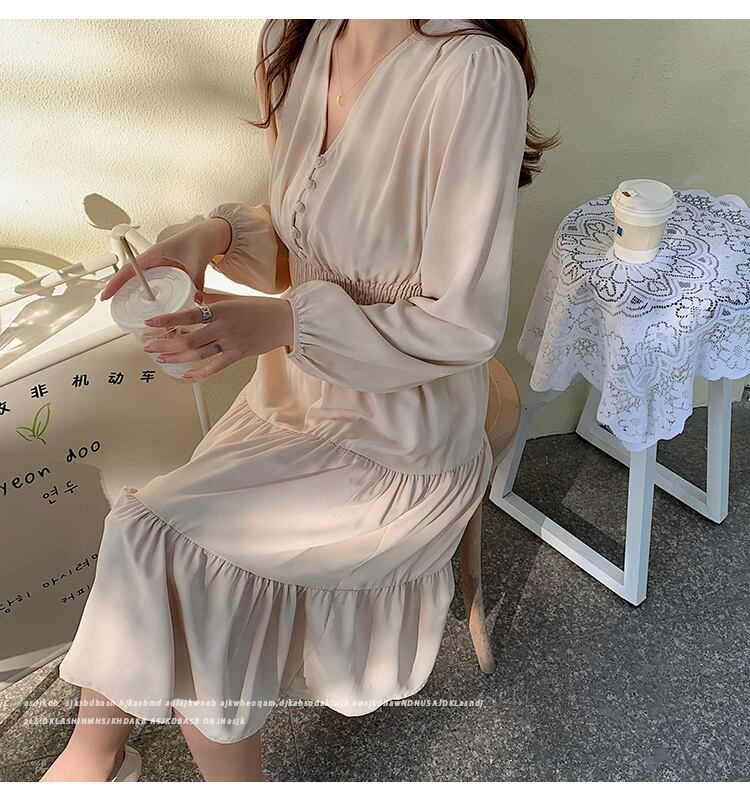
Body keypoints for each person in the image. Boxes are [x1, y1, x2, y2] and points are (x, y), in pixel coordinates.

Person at [42, 18, 557, 782]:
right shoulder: (296, 36)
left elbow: (461, 323)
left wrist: (284, 322)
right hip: (292, 401)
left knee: (168, 547)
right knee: (146, 533)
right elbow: (307, 236)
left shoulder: (472, 71)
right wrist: (210, 236)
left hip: (403, 429)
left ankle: (106, 762)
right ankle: (92, 757)